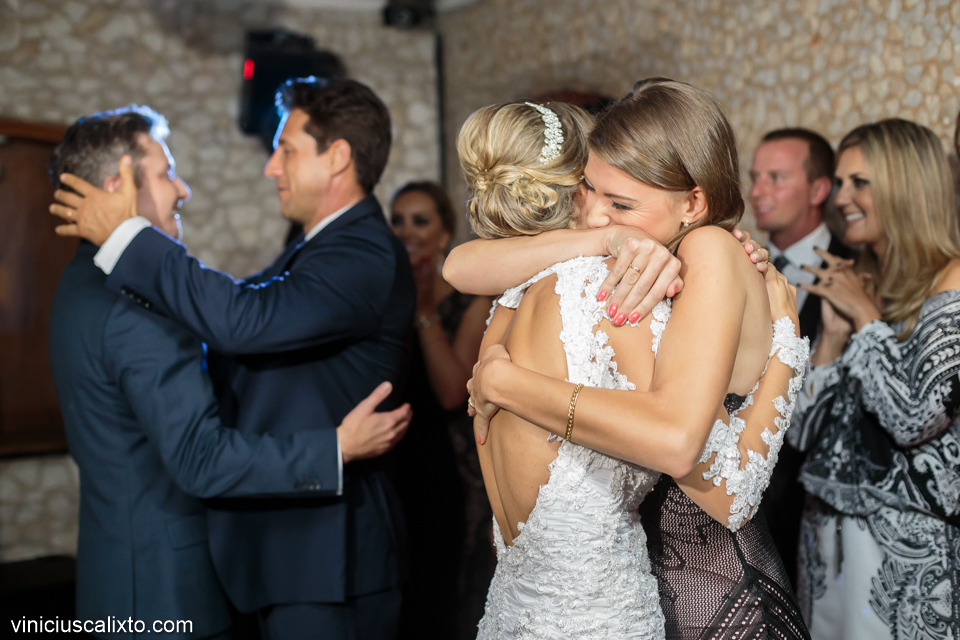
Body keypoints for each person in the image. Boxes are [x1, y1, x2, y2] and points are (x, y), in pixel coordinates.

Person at [49, 79, 416, 640]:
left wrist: (127, 239)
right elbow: (237, 315)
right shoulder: (310, 247)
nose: (271, 167)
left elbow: (243, 321)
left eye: (285, 149)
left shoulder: (362, 250)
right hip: (282, 561)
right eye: (167, 174)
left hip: (329, 559)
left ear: (337, 157)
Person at [454, 82, 810, 638]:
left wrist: (789, 342)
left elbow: (722, 485)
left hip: (718, 594)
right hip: (646, 587)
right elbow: (461, 266)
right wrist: (616, 237)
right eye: (588, 190)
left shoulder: (710, 250)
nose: (597, 216)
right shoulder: (632, 263)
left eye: (620, 205)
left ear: (693, 203)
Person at [787, 118, 960, 640]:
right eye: (840, 182)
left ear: (907, 185)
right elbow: (798, 432)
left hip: (907, 554)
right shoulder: (853, 278)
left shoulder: (951, 280)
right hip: (823, 537)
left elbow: (913, 416)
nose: (842, 198)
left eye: (860, 182)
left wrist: (865, 317)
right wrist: (833, 338)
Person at [748, 128, 855, 586]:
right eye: (755, 177)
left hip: (820, 508)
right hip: (745, 498)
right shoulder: (742, 264)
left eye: (775, 177)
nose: (757, 191)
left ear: (818, 190)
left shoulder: (856, 270)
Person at [387, 181, 491, 638]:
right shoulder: (385, 295)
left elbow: (452, 393)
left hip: (450, 467)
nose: (407, 231)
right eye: (398, 220)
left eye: (420, 220)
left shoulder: (472, 298)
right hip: (395, 458)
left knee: (443, 592)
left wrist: (425, 310)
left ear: (445, 233)